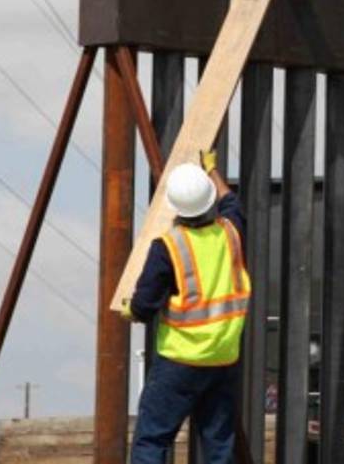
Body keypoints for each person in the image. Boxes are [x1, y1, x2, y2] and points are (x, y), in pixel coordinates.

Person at [126, 152, 249, 464]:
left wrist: (132, 310)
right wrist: (212, 168)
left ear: (175, 207)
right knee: (219, 445)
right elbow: (231, 202)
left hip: (180, 362)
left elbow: (144, 304)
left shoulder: (168, 246)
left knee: (152, 440)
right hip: (222, 358)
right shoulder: (230, 233)